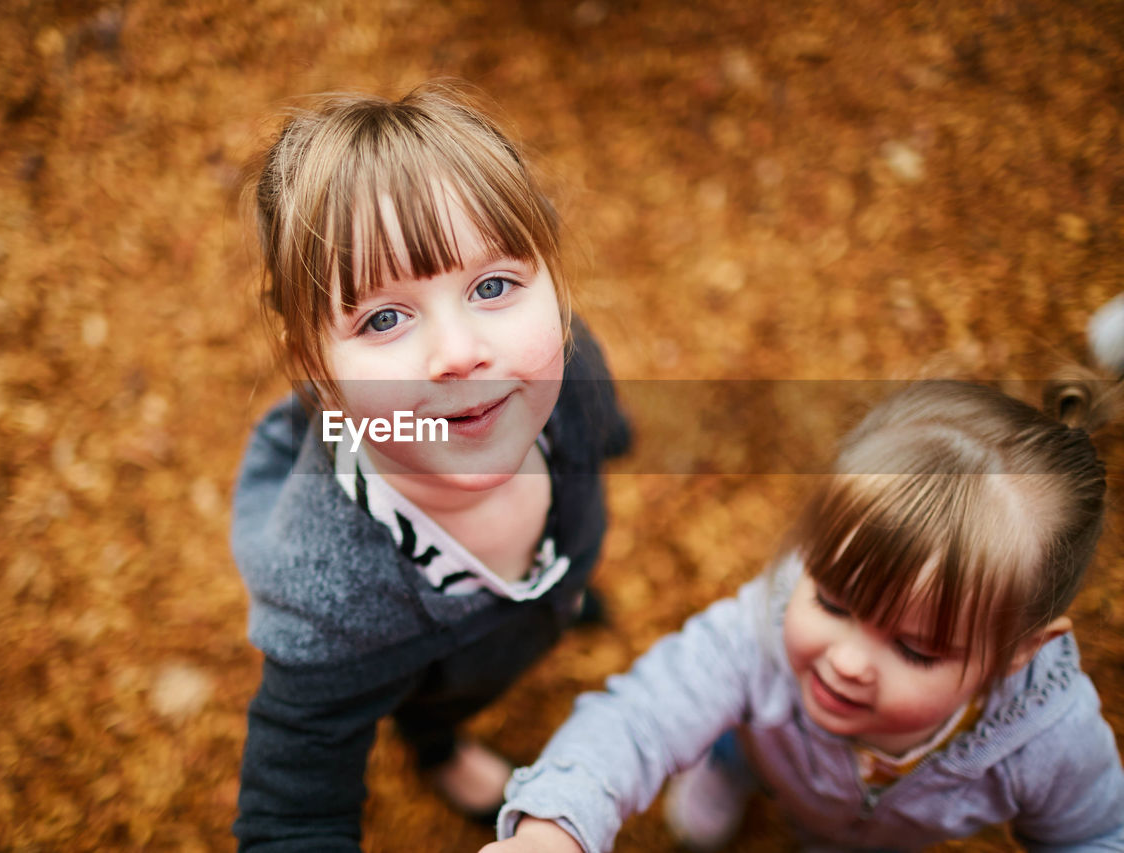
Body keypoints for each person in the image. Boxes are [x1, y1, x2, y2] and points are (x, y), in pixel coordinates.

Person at [230, 82, 629, 851]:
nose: (459, 353)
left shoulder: (567, 375)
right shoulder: (336, 602)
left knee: (560, 589)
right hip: (442, 677)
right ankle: (438, 749)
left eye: (493, 285)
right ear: (312, 359)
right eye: (383, 317)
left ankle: (558, 594)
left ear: (554, 281)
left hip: (541, 588)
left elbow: (606, 436)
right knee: (429, 703)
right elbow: (291, 814)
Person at [483, 378, 1124, 852]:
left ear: (1018, 652)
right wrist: (555, 827)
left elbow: (1094, 833)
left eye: (916, 650)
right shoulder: (758, 634)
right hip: (767, 753)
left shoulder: (1049, 738)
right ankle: (727, 773)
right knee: (733, 736)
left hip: (880, 830)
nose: (844, 660)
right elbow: (640, 718)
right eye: (832, 601)